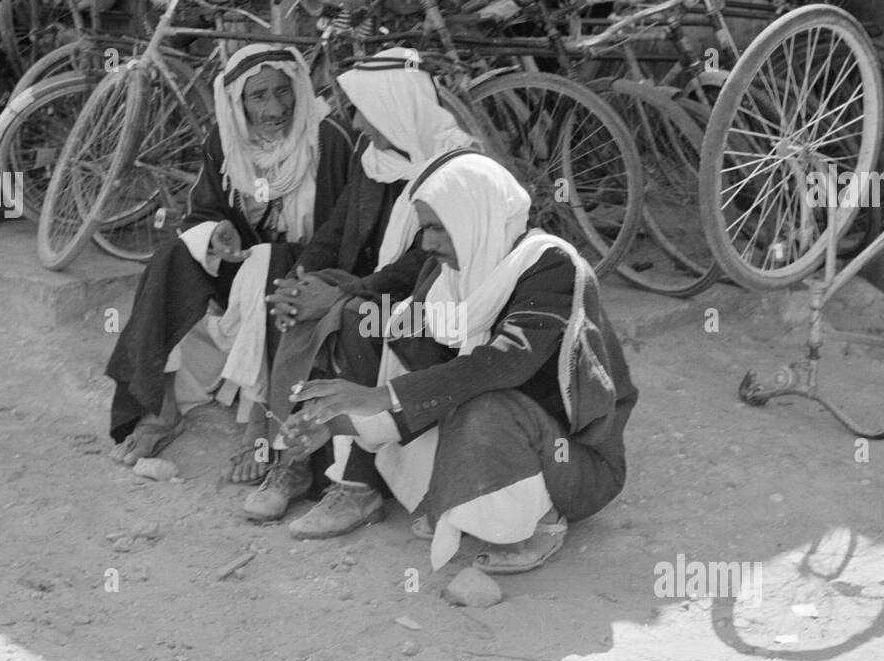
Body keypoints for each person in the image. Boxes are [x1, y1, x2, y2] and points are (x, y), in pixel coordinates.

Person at [279, 154, 639, 571]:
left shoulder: (551, 265)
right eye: (424, 229)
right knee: (399, 337)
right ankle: (462, 499)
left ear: (475, 215)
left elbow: (504, 364)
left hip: (580, 464)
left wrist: (380, 395)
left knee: (485, 402)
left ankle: (544, 518)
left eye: (436, 228)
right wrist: (335, 423)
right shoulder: (450, 277)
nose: (427, 244)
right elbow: (432, 378)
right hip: (514, 437)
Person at [245, 50, 479, 520]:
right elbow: (335, 227)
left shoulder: (457, 166)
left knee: (353, 318)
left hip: (437, 308)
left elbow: (429, 262)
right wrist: (304, 277)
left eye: (365, 111)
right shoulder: (374, 156)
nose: (358, 123)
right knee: (289, 301)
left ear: (396, 106)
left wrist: (346, 293)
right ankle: (293, 460)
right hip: (370, 287)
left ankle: (358, 486)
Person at [105, 44, 354, 478]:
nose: (274, 108)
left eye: (282, 92)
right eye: (258, 97)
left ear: (298, 88)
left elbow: (346, 231)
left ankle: (259, 422)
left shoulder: (327, 139)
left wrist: (295, 261)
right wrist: (215, 231)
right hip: (248, 264)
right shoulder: (226, 141)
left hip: (309, 270)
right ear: (237, 103)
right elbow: (202, 213)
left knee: (268, 260)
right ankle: (161, 410)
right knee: (173, 258)